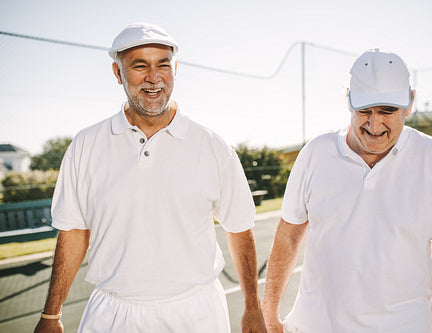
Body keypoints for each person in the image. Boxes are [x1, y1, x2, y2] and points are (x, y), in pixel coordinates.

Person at [34, 22, 266, 333]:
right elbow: (74, 232)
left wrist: (253, 308)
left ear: (174, 70)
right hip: (113, 314)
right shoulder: (86, 145)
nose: (154, 78)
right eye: (139, 66)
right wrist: (51, 315)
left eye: (163, 65)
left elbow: (239, 229)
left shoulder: (213, 146)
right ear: (118, 74)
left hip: (197, 314)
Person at [262, 48, 432, 333]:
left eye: (388, 111)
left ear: (409, 104)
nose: (375, 125)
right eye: (364, 111)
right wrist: (269, 314)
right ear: (348, 101)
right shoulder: (315, 153)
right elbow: (287, 236)